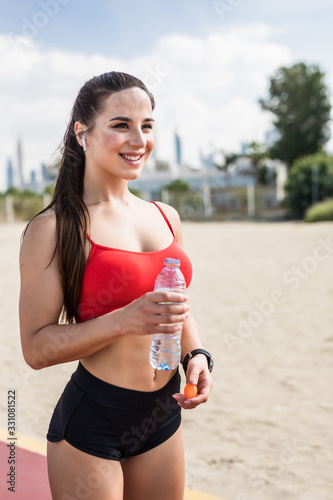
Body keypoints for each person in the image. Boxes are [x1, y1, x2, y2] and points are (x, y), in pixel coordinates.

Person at [19, 71, 213, 500]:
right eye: (121, 125)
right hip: (93, 424)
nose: (138, 139)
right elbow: (36, 349)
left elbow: (177, 305)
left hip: (161, 416)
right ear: (82, 132)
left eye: (146, 126)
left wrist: (195, 353)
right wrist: (123, 320)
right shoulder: (53, 229)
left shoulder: (166, 215)